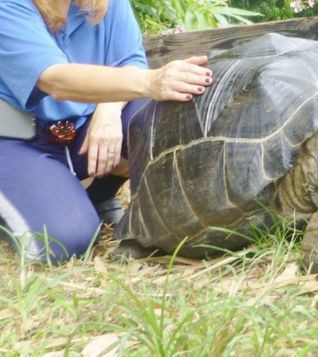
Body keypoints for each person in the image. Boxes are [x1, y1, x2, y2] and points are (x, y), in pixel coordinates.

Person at [0, 0, 213, 263]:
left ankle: (97, 196)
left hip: (79, 132)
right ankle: (19, 200)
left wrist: (109, 111)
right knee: (61, 243)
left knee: (156, 114)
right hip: (18, 142)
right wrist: (150, 81)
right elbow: (53, 79)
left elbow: (129, 60)